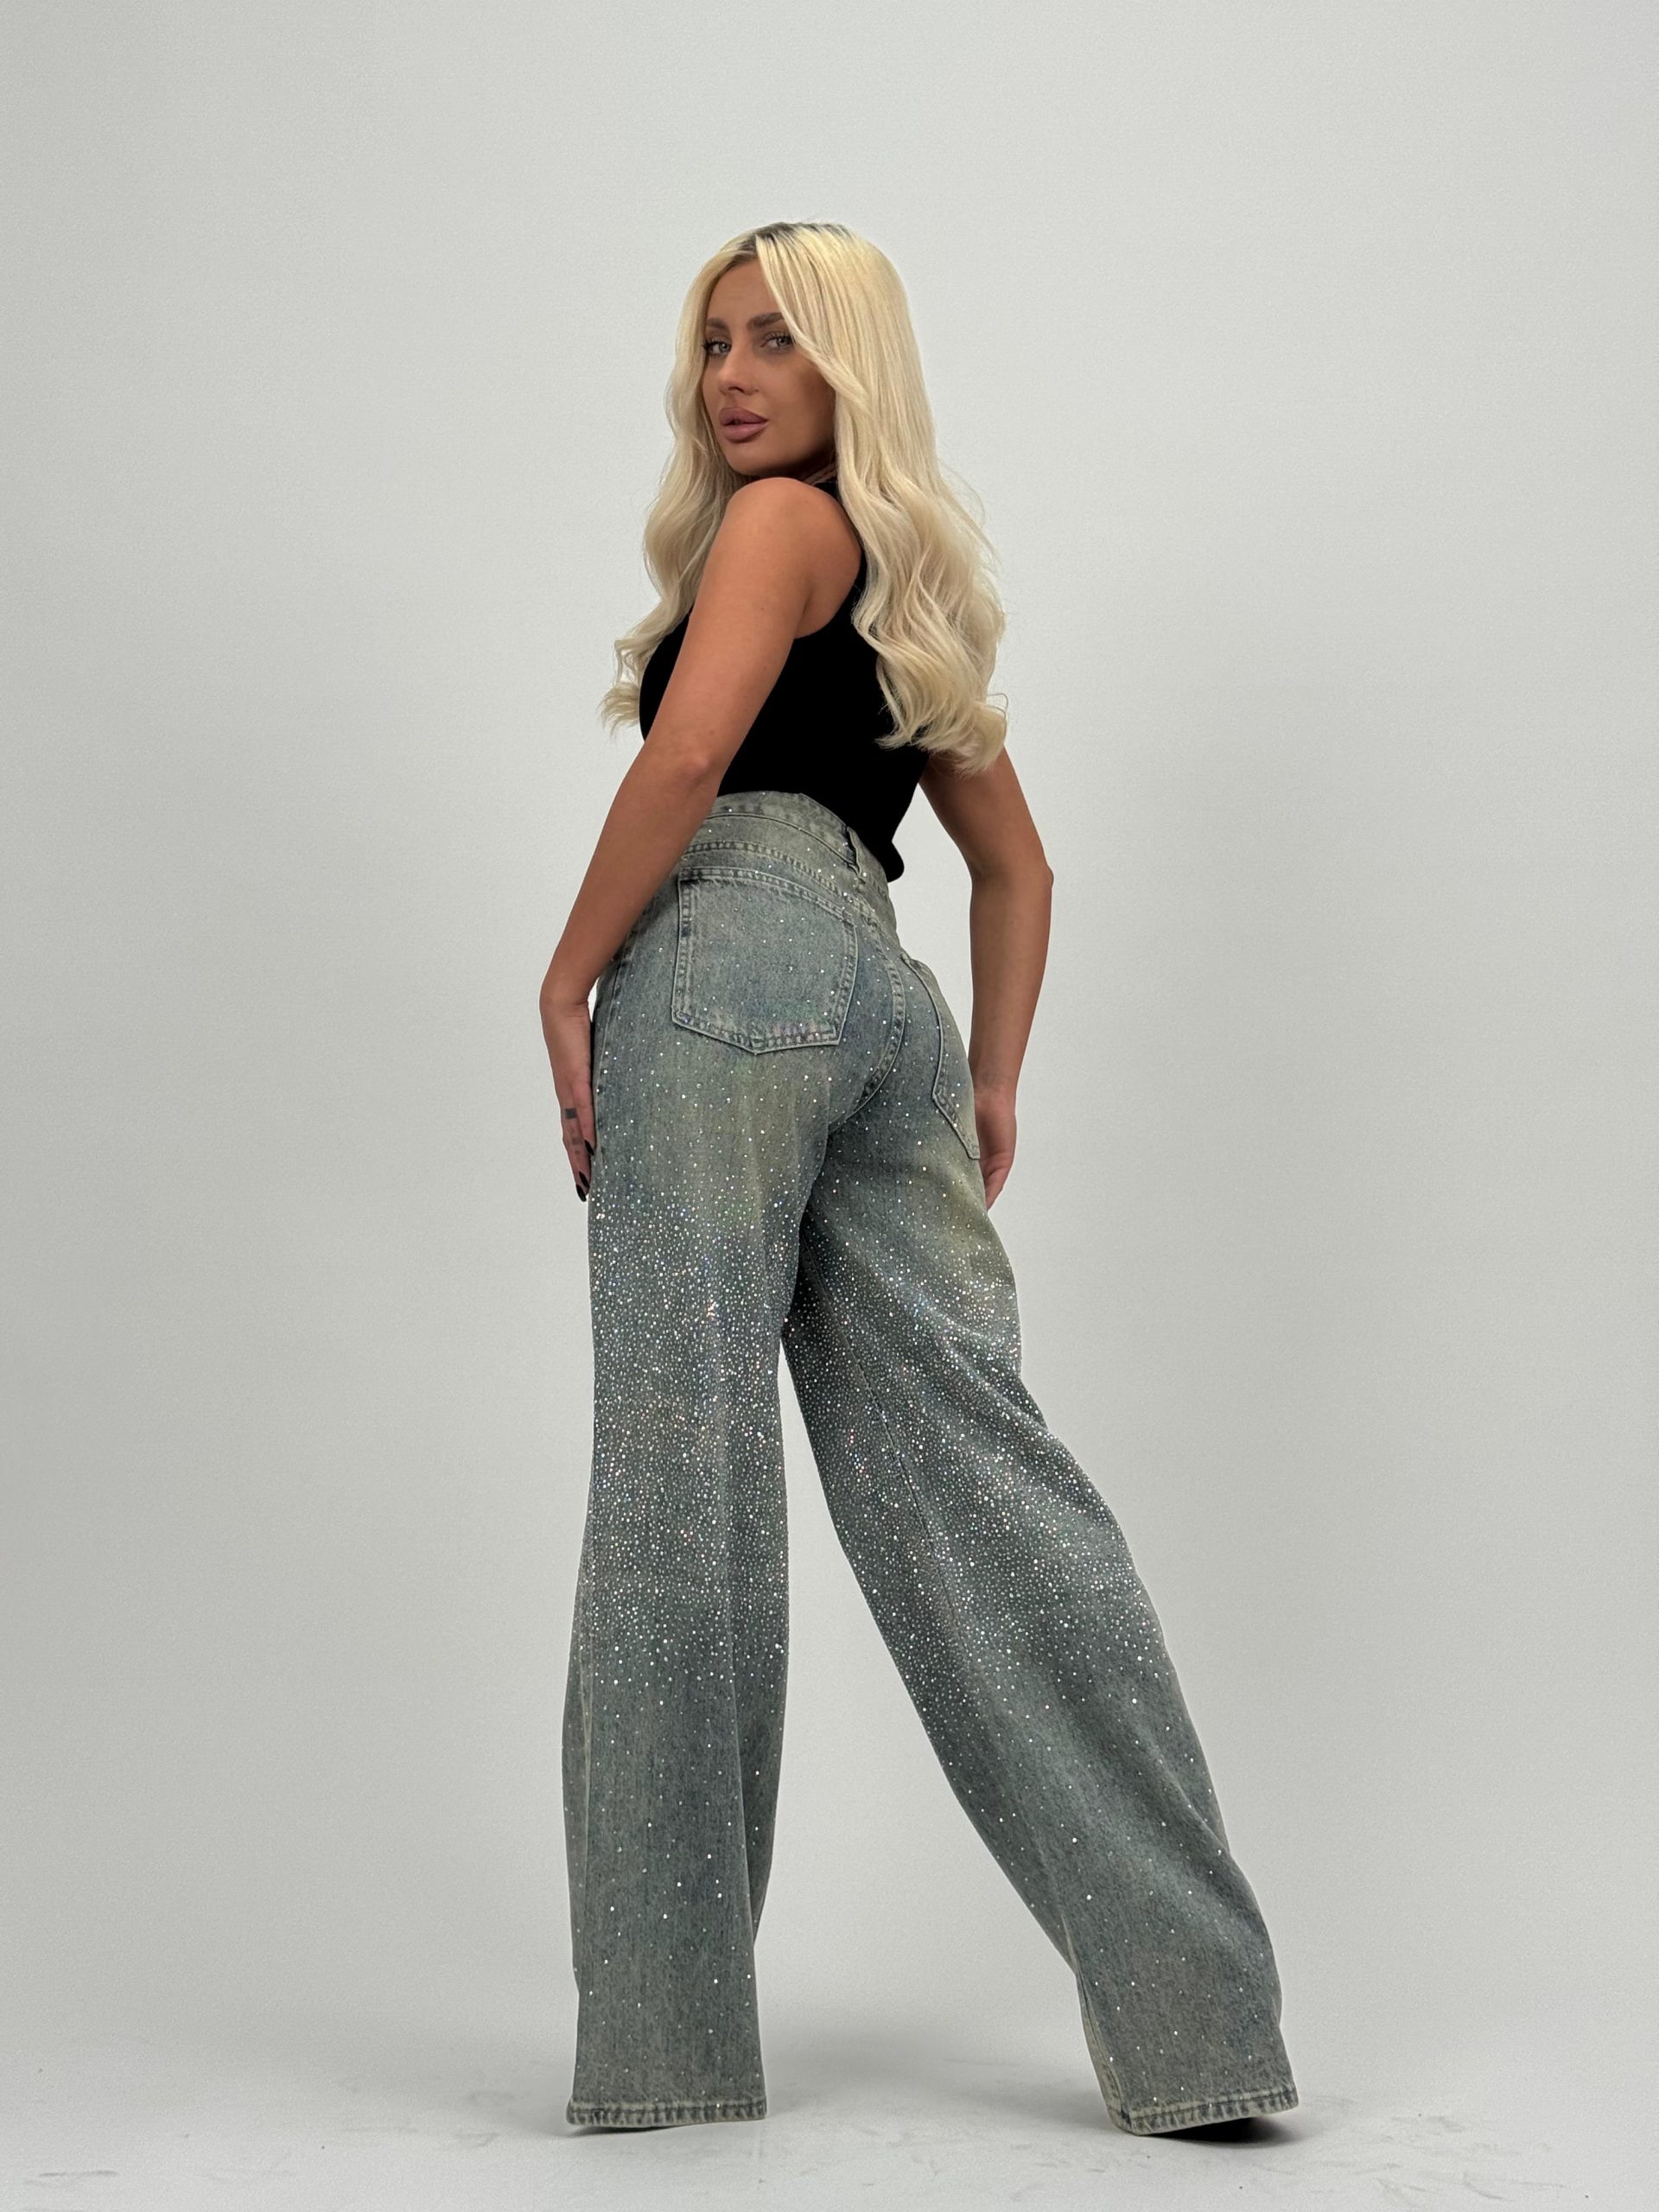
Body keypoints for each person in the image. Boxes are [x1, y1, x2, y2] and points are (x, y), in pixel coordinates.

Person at [538, 219, 1298, 2138]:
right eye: (716, 341)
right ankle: (1200, 2026)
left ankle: (666, 2054)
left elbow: (690, 758)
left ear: (848, 367)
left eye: (778, 341)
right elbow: (1016, 866)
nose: (733, 376)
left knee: (682, 1494)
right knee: (988, 1488)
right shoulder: (908, 585)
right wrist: (992, 1077)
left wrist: (564, 978)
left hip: (725, 967)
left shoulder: (776, 525)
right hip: (883, 1001)